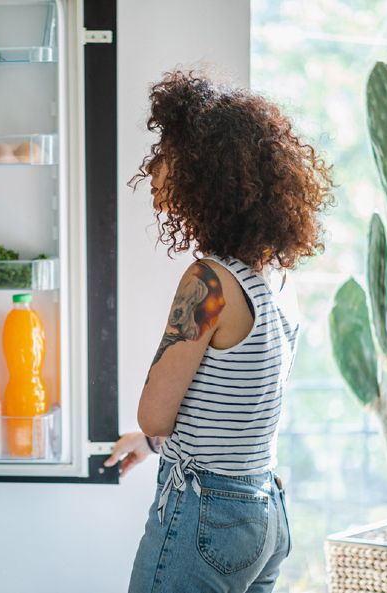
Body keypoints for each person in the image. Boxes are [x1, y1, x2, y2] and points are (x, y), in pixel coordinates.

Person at [104, 71, 333, 593]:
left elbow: (154, 411)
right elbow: (237, 409)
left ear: (203, 169)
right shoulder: (275, 278)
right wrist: (153, 443)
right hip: (263, 510)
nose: (155, 163)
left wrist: (152, 429)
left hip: (204, 515)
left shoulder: (209, 282)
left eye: (168, 148)